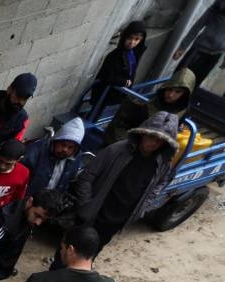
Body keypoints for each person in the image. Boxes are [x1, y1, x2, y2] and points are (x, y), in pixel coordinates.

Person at [74, 111, 177, 256]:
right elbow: (87, 176)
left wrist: (143, 207)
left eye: (159, 140)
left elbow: (160, 184)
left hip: (117, 221)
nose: (153, 143)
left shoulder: (163, 164)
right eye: (151, 136)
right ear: (142, 133)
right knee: (72, 249)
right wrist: (87, 205)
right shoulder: (116, 150)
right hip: (94, 214)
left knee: (92, 253)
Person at [103, 68, 194, 145]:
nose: (170, 95)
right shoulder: (142, 106)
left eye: (177, 92)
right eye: (169, 89)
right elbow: (120, 128)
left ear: (185, 94)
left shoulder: (183, 111)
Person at [22, 117, 85, 197]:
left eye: (70, 147)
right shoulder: (36, 150)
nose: (65, 150)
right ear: (55, 141)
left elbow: (67, 182)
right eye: (63, 144)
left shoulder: (75, 158)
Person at [91, 20, 147, 107]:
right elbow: (107, 77)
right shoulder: (115, 55)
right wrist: (124, 82)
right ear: (124, 37)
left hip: (118, 94)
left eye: (136, 39)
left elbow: (132, 70)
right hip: (105, 95)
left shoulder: (134, 53)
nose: (132, 42)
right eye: (130, 38)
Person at [173, 0, 225, 89]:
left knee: (194, 84)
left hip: (215, 55)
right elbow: (197, 26)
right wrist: (182, 47)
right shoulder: (217, 7)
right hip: (199, 50)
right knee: (179, 78)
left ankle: (182, 101)